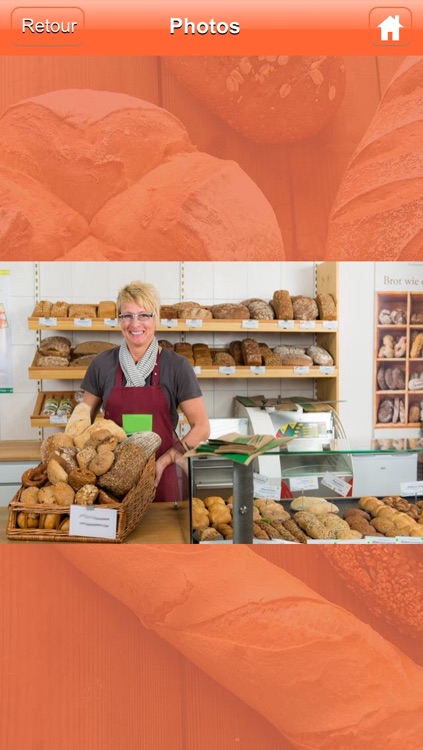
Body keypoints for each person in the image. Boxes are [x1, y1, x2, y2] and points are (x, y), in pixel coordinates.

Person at [80, 281, 210, 502]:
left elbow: (202, 427)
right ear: (119, 320)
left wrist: (169, 458)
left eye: (143, 315)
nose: (135, 323)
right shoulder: (101, 364)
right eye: (127, 316)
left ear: (156, 318)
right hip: (114, 476)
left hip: (163, 470)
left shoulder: (177, 366)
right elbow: (82, 425)